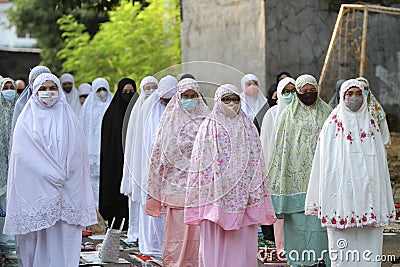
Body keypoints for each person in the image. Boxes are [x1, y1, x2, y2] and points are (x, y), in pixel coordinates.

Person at [3, 73, 97, 266]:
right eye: (43, 89)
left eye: (52, 88)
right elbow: (24, 155)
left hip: (66, 189)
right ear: (35, 92)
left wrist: (63, 176)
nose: (48, 93)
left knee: (63, 239)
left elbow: (77, 154)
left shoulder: (69, 117)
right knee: (38, 239)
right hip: (36, 189)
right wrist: (50, 174)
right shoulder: (26, 119)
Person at [305, 79, 396, 267]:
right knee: (342, 252)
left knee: (369, 251)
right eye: (349, 94)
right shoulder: (331, 125)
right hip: (341, 197)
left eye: (358, 94)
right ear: (342, 96)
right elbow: (323, 166)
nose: (354, 98)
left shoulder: (372, 125)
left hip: (369, 197)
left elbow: (380, 166)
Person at [184, 84, 277, 267]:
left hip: (242, 196)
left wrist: (253, 190)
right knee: (216, 243)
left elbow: (257, 162)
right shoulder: (208, 127)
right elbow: (200, 165)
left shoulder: (248, 127)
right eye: (227, 99)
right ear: (218, 101)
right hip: (215, 197)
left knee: (241, 244)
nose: (232, 104)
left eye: (235, 100)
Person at [268, 74, 332, 266]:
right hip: (294, 181)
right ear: (297, 93)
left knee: (320, 228)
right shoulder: (287, 116)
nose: (308, 94)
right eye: (304, 91)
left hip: (321, 180)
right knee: (297, 227)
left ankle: (322, 261)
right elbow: (280, 150)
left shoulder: (328, 113)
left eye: (312, 90)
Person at [146, 78, 209, 266]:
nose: (189, 99)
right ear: (178, 97)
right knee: (177, 233)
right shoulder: (169, 121)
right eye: (185, 96)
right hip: (176, 186)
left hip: (200, 188)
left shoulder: (207, 120)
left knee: (199, 234)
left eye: (193, 96)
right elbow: (159, 154)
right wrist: (156, 185)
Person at [129, 75, 177, 258]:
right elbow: (140, 142)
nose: (167, 103)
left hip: (175, 172)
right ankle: (152, 246)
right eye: (165, 99)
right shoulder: (147, 110)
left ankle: (171, 246)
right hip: (151, 169)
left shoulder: (179, 110)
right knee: (151, 211)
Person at [260, 76, 296, 258]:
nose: (289, 95)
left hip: (298, 171)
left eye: (292, 91)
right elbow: (265, 145)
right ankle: (281, 247)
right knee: (279, 211)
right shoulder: (271, 115)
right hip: (276, 171)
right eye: (285, 92)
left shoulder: (301, 113)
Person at [121, 76, 158, 243]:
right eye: (147, 88)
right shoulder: (137, 111)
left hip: (157, 165)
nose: (150, 92)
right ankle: (138, 233)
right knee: (139, 201)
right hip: (139, 163)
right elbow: (131, 142)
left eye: (153, 88)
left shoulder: (162, 109)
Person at [99, 78, 136, 231]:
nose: (128, 95)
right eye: (125, 92)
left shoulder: (139, 112)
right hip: (115, 161)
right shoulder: (111, 116)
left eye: (131, 93)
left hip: (134, 161)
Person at [79, 77, 113, 207]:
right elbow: (83, 129)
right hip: (91, 150)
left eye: (104, 89)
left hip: (107, 149)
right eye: (99, 90)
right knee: (92, 181)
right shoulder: (88, 107)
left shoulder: (111, 105)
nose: (102, 92)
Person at [0, 78, 18, 245]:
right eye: (5, 87)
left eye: (11, 87)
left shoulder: (20, 110)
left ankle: (12, 237)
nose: (9, 90)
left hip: (16, 162)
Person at [12, 65, 51, 133]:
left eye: (45, 80)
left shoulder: (59, 103)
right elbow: (17, 133)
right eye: (37, 80)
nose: (41, 84)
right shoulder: (21, 104)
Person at [356, 77, 390, 146]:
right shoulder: (347, 109)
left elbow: (384, 133)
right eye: (360, 88)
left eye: (365, 88)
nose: (363, 91)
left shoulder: (377, 110)